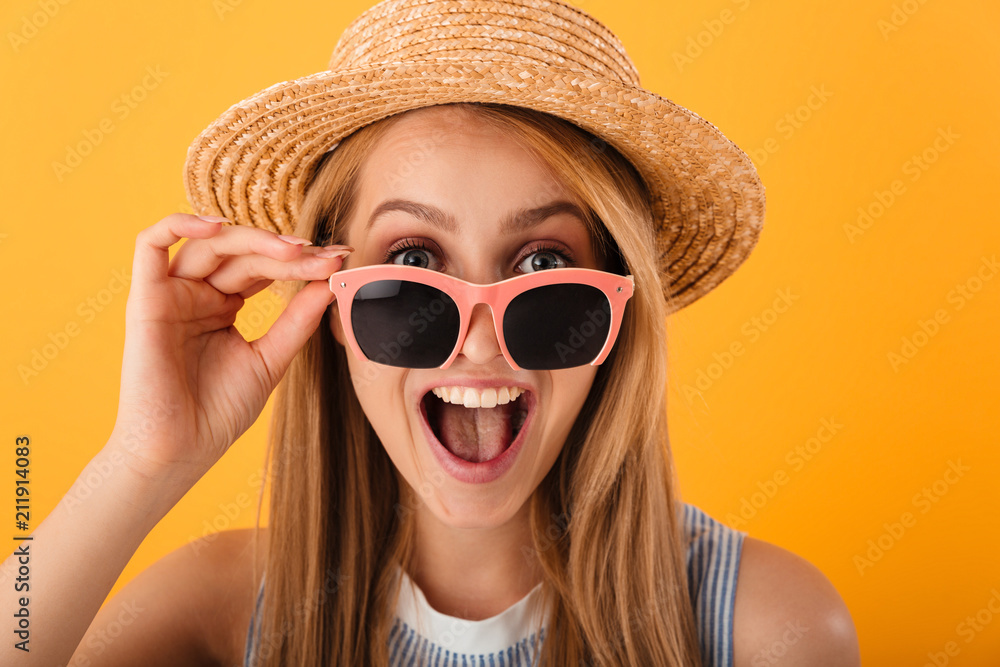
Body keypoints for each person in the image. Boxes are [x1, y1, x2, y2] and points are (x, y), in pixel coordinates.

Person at [1, 0, 861, 665]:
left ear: (612, 313)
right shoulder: (221, 606)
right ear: (332, 300)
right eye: (414, 256)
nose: (479, 341)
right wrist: (138, 463)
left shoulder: (762, 623)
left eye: (538, 269)